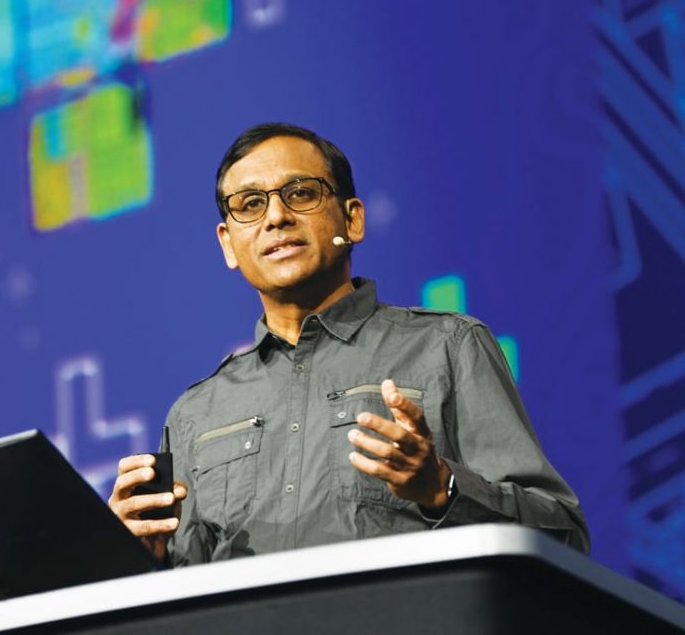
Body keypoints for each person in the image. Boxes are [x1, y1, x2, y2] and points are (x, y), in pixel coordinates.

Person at [109, 122, 590, 565]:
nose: (276, 216)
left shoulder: (448, 346)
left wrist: (441, 487)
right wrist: (135, 558)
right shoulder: (196, 413)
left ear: (352, 220)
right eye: (250, 204)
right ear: (228, 244)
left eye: (301, 193)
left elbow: (563, 535)